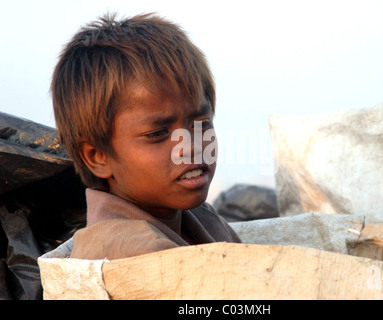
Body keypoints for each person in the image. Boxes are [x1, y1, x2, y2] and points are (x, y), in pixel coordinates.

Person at [51, 13, 241, 260]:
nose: (191, 146)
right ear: (98, 157)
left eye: (202, 124)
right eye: (158, 133)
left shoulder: (199, 219)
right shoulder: (131, 254)